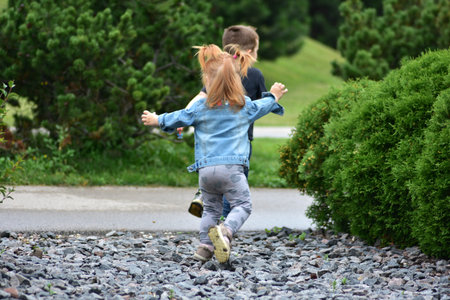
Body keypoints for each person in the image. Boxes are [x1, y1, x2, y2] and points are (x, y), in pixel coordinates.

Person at [141, 44, 287, 263]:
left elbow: (179, 116)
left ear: (207, 82)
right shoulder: (243, 106)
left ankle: (204, 248)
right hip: (231, 170)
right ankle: (226, 231)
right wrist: (274, 95)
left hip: (205, 171)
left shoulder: (200, 107)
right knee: (243, 205)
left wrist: (157, 119)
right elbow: (263, 106)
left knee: (210, 209)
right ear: (236, 81)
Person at [185, 25, 267, 219]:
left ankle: (203, 197)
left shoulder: (217, 72)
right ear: (248, 52)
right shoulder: (254, 75)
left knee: (213, 171)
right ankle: (224, 225)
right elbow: (261, 106)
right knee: (235, 189)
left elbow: (200, 97)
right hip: (239, 143)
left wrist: (186, 115)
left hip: (213, 138)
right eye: (256, 51)